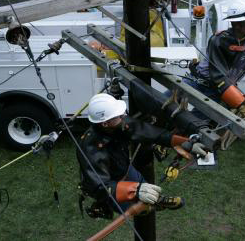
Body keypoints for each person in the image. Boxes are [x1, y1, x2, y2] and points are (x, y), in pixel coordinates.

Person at [76, 93, 207, 218]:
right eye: (118, 116)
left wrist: (185, 142)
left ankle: (157, 200)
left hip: (126, 170)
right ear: (105, 123)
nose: (123, 117)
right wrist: (133, 190)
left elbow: (150, 132)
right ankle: (149, 206)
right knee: (140, 209)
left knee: (146, 188)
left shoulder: (117, 125)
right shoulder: (90, 148)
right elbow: (100, 187)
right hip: (112, 186)